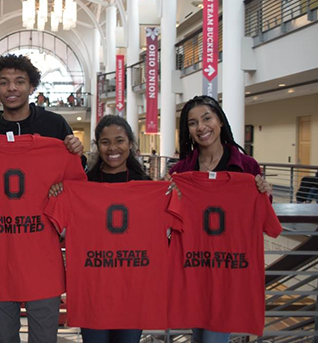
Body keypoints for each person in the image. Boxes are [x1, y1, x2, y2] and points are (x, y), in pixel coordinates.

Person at [0, 54, 83, 343]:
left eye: (19, 81)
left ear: (31, 86)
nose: (12, 88)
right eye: (4, 82)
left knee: (45, 336)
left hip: (41, 256)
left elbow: (77, 190)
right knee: (3, 337)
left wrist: (72, 158)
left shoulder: (56, 127)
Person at [165, 95, 271, 343]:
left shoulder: (247, 167)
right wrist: (166, 195)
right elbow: (166, 223)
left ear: (220, 121)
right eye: (192, 123)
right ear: (187, 130)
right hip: (192, 269)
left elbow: (260, 215)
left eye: (207, 118)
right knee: (198, 335)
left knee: (212, 337)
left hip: (228, 270)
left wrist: (264, 193)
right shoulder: (180, 172)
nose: (201, 127)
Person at [49, 115, 148, 342]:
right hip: (93, 291)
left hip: (132, 291)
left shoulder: (148, 187)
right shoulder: (82, 186)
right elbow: (62, 230)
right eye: (105, 142)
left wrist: (172, 196)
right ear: (97, 145)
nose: (113, 148)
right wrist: (59, 194)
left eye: (119, 140)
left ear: (130, 144)